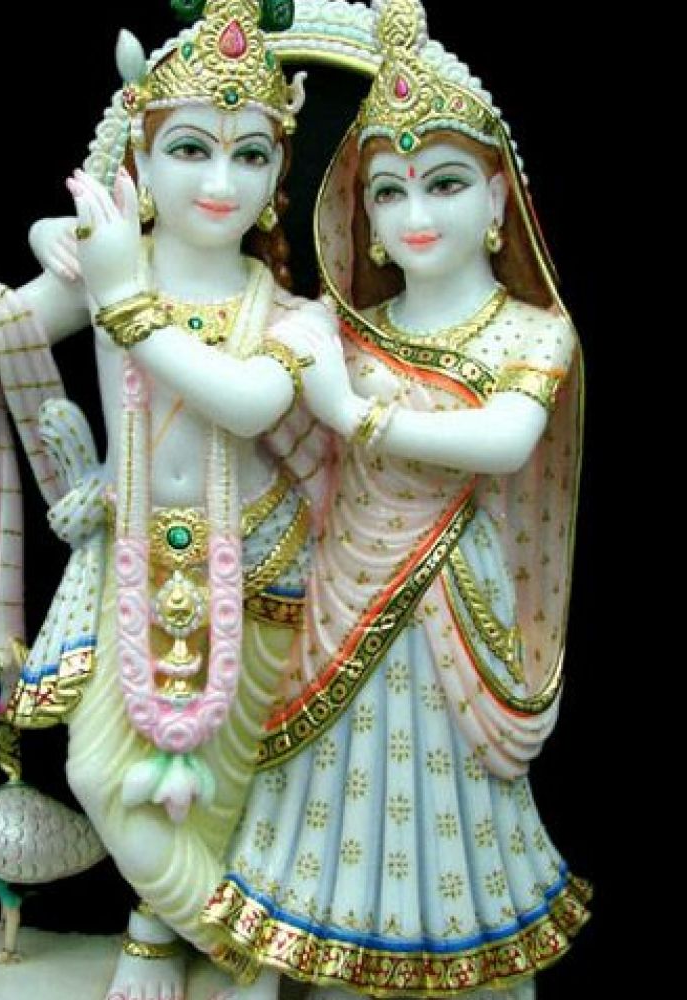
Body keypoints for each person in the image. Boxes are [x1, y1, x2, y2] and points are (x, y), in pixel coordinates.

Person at [0, 2, 343, 997]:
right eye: (191, 150)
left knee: (229, 780)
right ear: (142, 151)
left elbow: (252, 400)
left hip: (260, 561)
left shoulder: (287, 314)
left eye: (251, 157)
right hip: (129, 554)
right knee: (100, 773)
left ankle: (156, 926)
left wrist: (121, 290)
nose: (220, 184)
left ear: (278, 174)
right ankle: (249, 947)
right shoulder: (101, 272)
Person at [195, 1, 590, 997]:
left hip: (454, 593)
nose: (417, 211)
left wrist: (355, 414)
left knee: (446, 782)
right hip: (339, 586)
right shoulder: (340, 328)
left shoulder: (533, 333)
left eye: (445, 182)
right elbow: (256, 400)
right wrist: (139, 300)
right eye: (389, 190)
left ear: (497, 197)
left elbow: (505, 440)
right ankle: (318, 953)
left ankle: (458, 955)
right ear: (361, 216)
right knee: (329, 779)